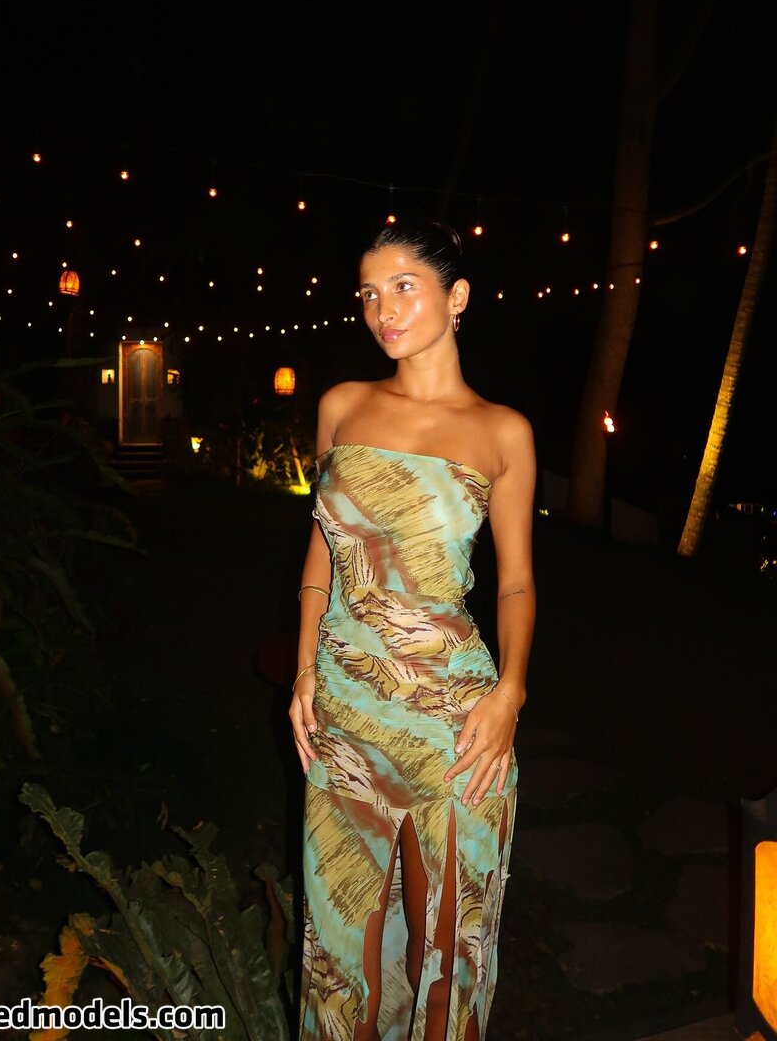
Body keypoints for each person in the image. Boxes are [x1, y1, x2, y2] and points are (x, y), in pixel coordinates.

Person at [289, 216, 536, 1041]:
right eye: (368, 293)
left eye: (403, 286)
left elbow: (516, 582)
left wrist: (510, 693)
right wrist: (304, 672)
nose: (382, 309)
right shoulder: (342, 407)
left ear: (457, 296)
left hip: (453, 725)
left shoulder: (502, 431)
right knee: (342, 964)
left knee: (448, 956)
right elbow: (322, 551)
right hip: (345, 711)